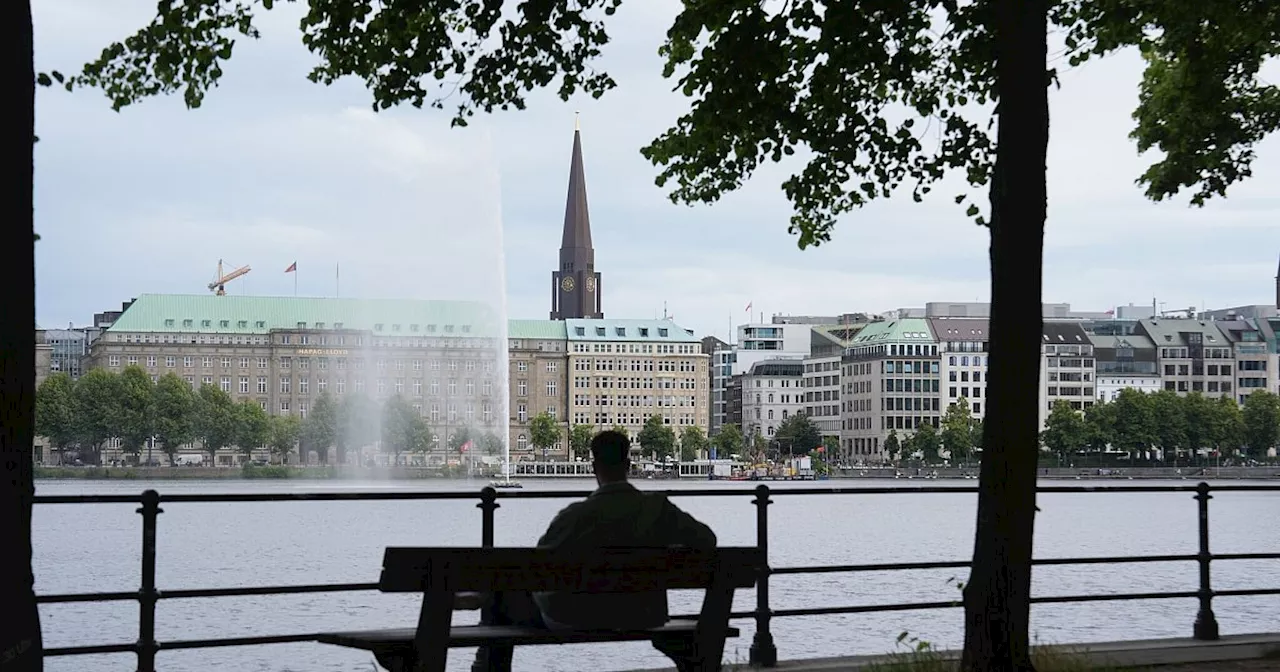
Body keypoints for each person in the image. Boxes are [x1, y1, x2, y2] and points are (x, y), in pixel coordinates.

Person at [474, 430, 717, 671]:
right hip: (643, 613)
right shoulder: (659, 510)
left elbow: (538, 565)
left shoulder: (574, 516)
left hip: (578, 617)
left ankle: (487, 668)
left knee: (502, 598)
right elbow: (707, 539)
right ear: (628, 464)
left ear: (594, 466)